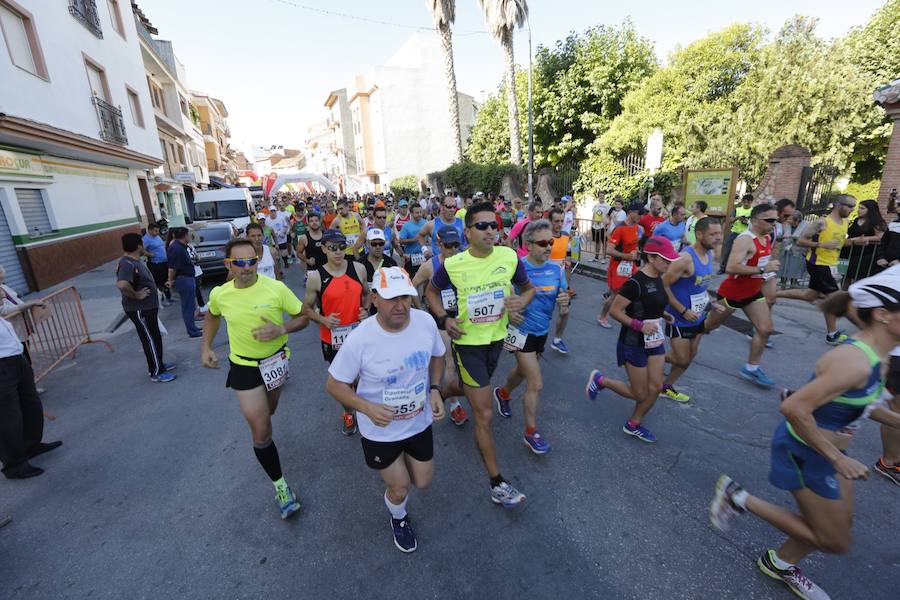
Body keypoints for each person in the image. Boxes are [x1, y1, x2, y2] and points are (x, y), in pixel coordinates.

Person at [709, 266, 900, 600]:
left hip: (830, 453)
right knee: (834, 540)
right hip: (805, 452)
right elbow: (794, 409)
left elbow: (864, 406)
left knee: (842, 522)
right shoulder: (853, 361)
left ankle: (780, 563)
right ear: (883, 315)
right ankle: (738, 498)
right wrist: (837, 458)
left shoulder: (879, 359)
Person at [326, 267, 446, 553]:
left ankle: (400, 476)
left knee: (423, 481)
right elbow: (334, 384)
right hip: (380, 431)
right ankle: (399, 517)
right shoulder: (360, 338)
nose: (400, 305)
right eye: (392, 298)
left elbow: (439, 356)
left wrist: (435, 390)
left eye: (405, 296)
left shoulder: (425, 322)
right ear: (374, 299)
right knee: (401, 487)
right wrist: (366, 408)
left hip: (418, 422)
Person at [425, 202, 535, 506]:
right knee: (484, 413)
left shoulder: (509, 256)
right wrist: (444, 320)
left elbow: (528, 289)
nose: (490, 231)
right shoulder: (454, 264)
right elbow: (430, 293)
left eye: (494, 225)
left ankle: (441, 394)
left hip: (496, 341)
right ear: (468, 232)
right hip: (468, 345)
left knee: (471, 387)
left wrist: (519, 303)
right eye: (483, 226)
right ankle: (497, 483)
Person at [201, 238, 309, 519]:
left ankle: (265, 423)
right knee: (261, 428)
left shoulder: (276, 288)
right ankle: (281, 487)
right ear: (229, 265)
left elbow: (303, 317)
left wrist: (281, 328)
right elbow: (212, 316)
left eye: (252, 261)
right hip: (243, 366)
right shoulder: (220, 294)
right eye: (239, 262)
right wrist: (206, 347)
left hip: (275, 361)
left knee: (269, 412)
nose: (247, 267)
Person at [585, 237, 679, 443]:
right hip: (633, 341)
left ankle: (634, 423)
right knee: (639, 393)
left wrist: (663, 315)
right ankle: (601, 381)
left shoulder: (660, 278)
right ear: (652, 258)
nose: (670, 263)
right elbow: (615, 310)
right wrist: (640, 326)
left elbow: (649, 305)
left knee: (655, 387)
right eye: (666, 259)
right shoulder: (635, 283)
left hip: (654, 341)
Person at [493, 219, 569, 453]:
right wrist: (509, 313)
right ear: (528, 244)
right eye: (543, 243)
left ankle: (503, 393)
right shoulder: (517, 269)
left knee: (523, 372)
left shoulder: (557, 269)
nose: (548, 247)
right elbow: (502, 299)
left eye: (551, 242)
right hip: (520, 332)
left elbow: (563, 303)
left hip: (541, 333)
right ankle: (530, 433)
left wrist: (564, 306)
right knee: (535, 383)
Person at [703, 204, 780, 387]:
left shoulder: (767, 238)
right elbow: (731, 267)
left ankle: (751, 368)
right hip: (733, 294)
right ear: (754, 220)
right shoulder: (745, 239)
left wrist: (767, 275)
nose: (773, 223)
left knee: (765, 329)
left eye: (775, 220)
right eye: (769, 220)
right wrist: (763, 269)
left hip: (753, 293)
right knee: (707, 326)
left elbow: (762, 265)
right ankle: (688, 334)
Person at [302, 229, 370, 435]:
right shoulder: (315, 277)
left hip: (358, 335)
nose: (338, 252)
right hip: (332, 338)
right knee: (343, 382)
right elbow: (305, 309)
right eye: (332, 248)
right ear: (323, 248)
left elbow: (367, 294)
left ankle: (364, 409)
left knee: (363, 377)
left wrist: (365, 309)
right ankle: (349, 412)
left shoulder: (358, 268)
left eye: (342, 247)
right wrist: (322, 319)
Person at [775, 196, 855, 345]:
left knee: (809, 295)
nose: (852, 209)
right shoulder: (821, 222)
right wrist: (822, 245)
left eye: (854, 207)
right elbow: (800, 241)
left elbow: (840, 242)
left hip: (831, 264)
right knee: (835, 299)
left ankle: (773, 294)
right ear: (838, 205)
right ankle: (833, 334)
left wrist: (856, 241)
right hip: (818, 264)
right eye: (849, 206)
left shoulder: (845, 222)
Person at [411, 226, 469, 426]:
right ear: (439, 244)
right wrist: (421, 312)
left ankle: (438, 388)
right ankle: (453, 405)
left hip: (463, 318)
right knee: (450, 360)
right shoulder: (431, 265)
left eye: (456, 245)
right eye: (448, 245)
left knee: (463, 359)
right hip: (440, 319)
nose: (452, 249)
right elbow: (412, 286)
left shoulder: (465, 261)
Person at [660, 218, 723, 402]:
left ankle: (666, 387)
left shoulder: (709, 254)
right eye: (713, 234)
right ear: (699, 234)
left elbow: (698, 286)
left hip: (698, 315)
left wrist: (710, 303)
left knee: (690, 355)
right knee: (681, 358)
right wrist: (682, 310)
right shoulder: (685, 259)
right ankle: (645, 356)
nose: (718, 238)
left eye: (719, 233)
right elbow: (663, 284)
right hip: (678, 317)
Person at [0, 307, 62, 479]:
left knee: (31, 406)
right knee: (8, 418)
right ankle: (14, 465)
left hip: (16, 358)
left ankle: (30, 445)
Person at [115, 233, 175, 383]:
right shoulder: (127, 264)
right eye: (142, 243)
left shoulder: (134, 261)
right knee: (150, 340)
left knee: (155, 337)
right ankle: (156, 371)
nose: (144, 246)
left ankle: (159, 363)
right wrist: (136, 295)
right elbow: (122, 284)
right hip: (140, 309)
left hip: (147, 308)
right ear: (138, 246)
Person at [597, 202, 644, 328]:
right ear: (630, 213)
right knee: (615, 295)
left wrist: (636, 253)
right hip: (618, 267)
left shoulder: (637, 227)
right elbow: (609, 250)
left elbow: (632, 245)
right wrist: (627, 256)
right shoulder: (620, 229)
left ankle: (628, 317)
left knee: (634, 291)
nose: (642, 216)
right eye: (639, 213)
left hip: (631, 266)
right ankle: (602, 316)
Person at [166, 227, 203, 338]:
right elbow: (172, 268)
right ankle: (192, 331)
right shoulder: (177, 248)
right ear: (185, 235)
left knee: (190, 305)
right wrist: (170, 280)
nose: (189, 237)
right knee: (188, 306)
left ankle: (193, 327)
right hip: (184, 279)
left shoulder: (181, 247)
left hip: (187, 278)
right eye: (188, 235)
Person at [840, 199, 886, 286]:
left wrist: (863, 239)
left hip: (865, 254)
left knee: (859, 277)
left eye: (862, 208)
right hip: (849, 252)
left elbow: (881, 236)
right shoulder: (856, 220)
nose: (858, 210)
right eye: (859, 208)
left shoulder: (876, 222)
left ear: (870, 210)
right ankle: (842, 295)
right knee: (845, 276)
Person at [546, 208, 572, 354]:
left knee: (564, 310)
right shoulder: (545, 237)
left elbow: (567, 258)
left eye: (562, 221)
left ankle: (557, 340)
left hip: (560, 279)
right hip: (545, 279)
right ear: (550, 221)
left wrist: (567, 284)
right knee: (540, 312)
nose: (560, 224)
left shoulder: (566, 236)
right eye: (556, 221)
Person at [719, 193, 755, 274]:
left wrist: (746, 221)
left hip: (746, 235)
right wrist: (738, 218)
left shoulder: (753, 211)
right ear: (742, 201)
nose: (746, 204)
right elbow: (730, 221)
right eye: (744, 202)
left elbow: (754, 223)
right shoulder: (737, 210)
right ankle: (722, 268)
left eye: (748, 202)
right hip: (734, 233)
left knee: (744, 253)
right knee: (727, 250)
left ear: (751, 202)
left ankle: (738, 270)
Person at [143, 222, 172, 306]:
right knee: (160, 282)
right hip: (156, 264)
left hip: (164, 262)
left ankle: (169, 297)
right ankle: (163, 300)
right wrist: (150, 254)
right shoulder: (145, 239)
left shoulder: (157, 237)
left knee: (166, 279)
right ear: (150, 230)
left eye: (158, 231)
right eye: (155, 231)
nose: (157, 233)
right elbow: (142, 251)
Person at [362, 229, 397, 298]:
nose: (378, 247)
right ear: (367, 244)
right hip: (367, 306)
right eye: (374, 244)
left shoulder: (391, 263)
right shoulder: (360, 263)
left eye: (381, 244)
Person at [398, 204, 428, 278]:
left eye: (420, 212)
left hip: (424, 255)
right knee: (411, 279)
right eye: (417, 213)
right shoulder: (406, 226)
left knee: (426, 278)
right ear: (411, 213)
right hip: (411, 256)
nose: (419, 214)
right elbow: (401, 241)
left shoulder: (426, 223)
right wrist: (413, 240)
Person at [591, 195, 610, 260]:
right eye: (600, 196)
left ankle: (603, 257)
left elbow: (609, 216)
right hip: (595, 227)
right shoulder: (595, 205)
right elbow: (593, 215)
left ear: (604, 197)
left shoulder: (607, 205)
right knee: (597, 242)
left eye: (602, 196)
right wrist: (592, 225)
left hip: (603, 227)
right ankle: (596, 256)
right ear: (598, 197)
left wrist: (607, 225)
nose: (601, 197)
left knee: (604, 242)